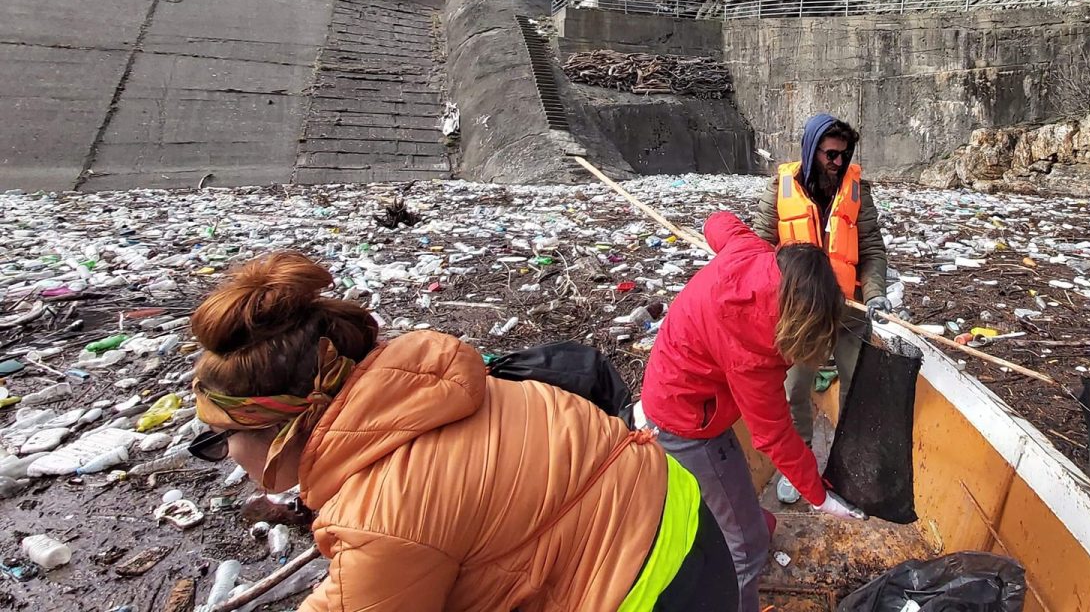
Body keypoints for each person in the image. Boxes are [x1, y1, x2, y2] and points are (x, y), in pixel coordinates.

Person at [186, 251, 736, 612]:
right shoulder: (447, 389)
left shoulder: (380, 516)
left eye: (220, 437)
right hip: (688, 521)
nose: (227, 456)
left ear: (284, 427)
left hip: (649, 592)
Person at [640, 212, 867, 612]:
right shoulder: (753, 352)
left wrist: (710, 230)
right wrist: (820, 498)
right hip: (686, 419)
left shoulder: (751, 250)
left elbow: (719, 222)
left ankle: (743, 519)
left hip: (680, 387)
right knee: (746, 549)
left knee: (737, 501)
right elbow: (774, 435)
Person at [751, 113, 889, 504]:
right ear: (812, 151)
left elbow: (873, 251)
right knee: (794, 388)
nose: (837, 163)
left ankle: (851, 464)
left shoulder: (858, 192)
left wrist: (875, 293)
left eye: (843, 156)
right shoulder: (779, 189)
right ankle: (798, 467)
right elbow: (759, 248)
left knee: (857, 385)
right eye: (830, 154)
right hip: (802, 310)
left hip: (848, 309)